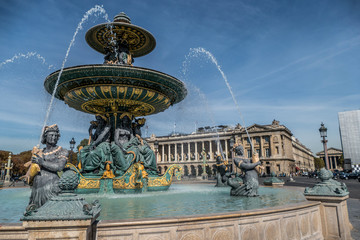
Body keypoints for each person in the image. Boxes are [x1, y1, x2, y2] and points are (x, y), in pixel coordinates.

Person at [27, 124, 68, 209]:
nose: (54, 138)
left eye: (56, 136)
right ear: (45, 137)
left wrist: (42, 162)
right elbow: (32, 166)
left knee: (51, 210)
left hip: (51, 185)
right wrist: (27, 176)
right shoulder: (40, 151)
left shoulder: (62, 151)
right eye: (51, 135)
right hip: (37, 186)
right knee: (35, 212)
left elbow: (59, 167)